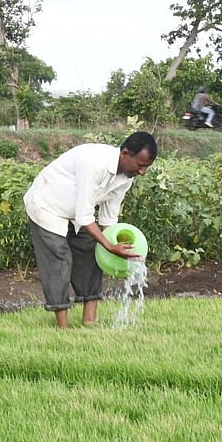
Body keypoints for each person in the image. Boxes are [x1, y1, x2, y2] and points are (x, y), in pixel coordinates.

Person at [24, 131, 158, 329]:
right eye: (140, 165)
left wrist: (115, 247)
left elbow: (108, 219)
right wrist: (110, 247)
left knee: (91, 252)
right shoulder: (94, 164)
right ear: (125, 154)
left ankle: (89, 321)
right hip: (47, 206)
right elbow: (85, 216)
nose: (142, 172)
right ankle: (62, 329)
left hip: (76, 212)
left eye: (146, 167)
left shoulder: (126, 178)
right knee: (59, 260)